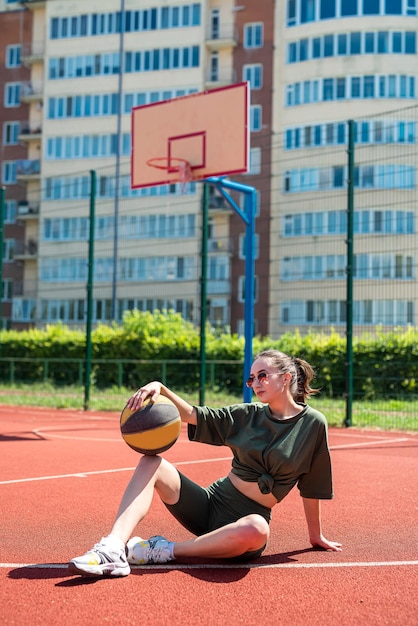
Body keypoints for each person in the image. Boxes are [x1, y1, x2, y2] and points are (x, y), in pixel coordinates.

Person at [69, 349, 342, 577]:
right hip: (209, 505)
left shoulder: (313, 424)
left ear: (286, 378)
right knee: (151, 462)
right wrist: (160, 387)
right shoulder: (246, 414)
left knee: (258, 528)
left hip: (244, 526)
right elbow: (191, 414)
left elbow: (312, 484)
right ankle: (113, 548)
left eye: (262, 376)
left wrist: (315, 535)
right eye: (251, 379)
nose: (255, 383)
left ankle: (164, 550)